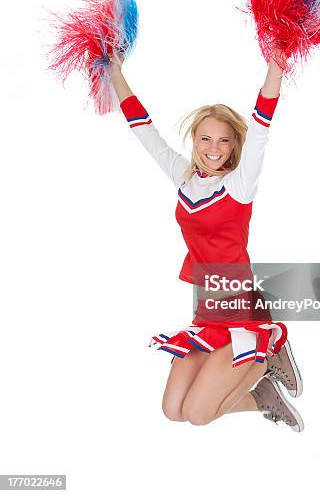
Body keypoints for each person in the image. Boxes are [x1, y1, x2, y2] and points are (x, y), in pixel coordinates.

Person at [109, 46, 304, 430]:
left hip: (241, 314)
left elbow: (262, 123)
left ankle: (270, 351)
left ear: (234, 147)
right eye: (205, 139)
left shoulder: (239, 185)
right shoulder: (185, 178)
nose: (213, 149)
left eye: (224, 141)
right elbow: (144, 131)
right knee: (174, 409)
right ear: (194, 140)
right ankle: (261, 397)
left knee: (199, 414)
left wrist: (277, 64)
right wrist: (115, 71)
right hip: (205, 310)